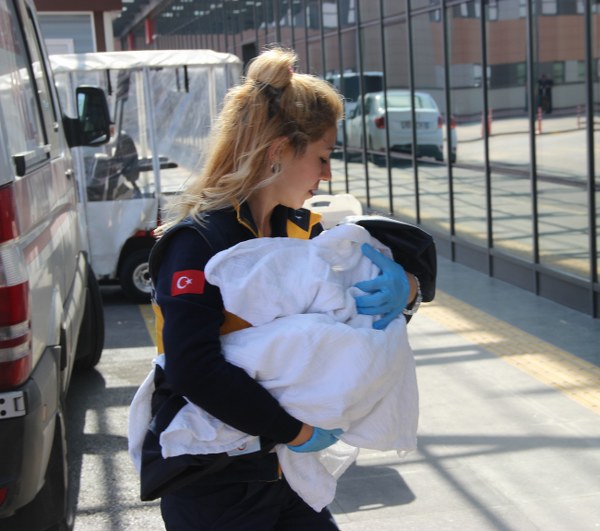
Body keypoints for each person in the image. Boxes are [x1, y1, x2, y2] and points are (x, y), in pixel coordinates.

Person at [145, 46, 420, 530]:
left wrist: (409, 289)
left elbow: (354, 308)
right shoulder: (196, 243)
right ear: (278, 152)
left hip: (283, 475)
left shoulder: (300, 231)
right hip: (216, 483)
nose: (327, 174)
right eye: (322, 157)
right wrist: (295, 431)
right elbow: (193, 366)